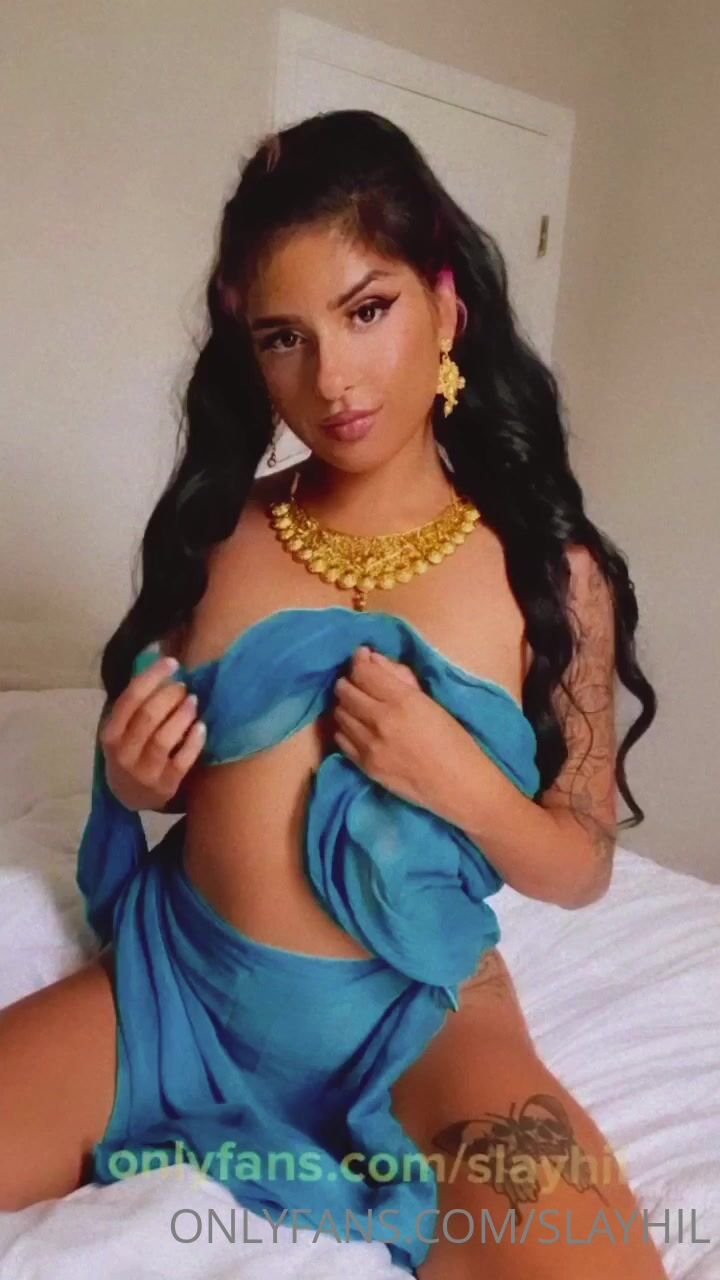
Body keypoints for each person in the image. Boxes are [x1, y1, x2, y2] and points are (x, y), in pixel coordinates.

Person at [0, 109, 668, 1279]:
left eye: (367, 310)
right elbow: (194, 773)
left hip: (418, 1018)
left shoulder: (555, 574)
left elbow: (581, 863)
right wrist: (133, 776)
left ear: (445, 306)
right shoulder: (222, 532)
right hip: (179, 989)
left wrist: (461, 785)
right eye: (284, 337)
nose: (333, 377)